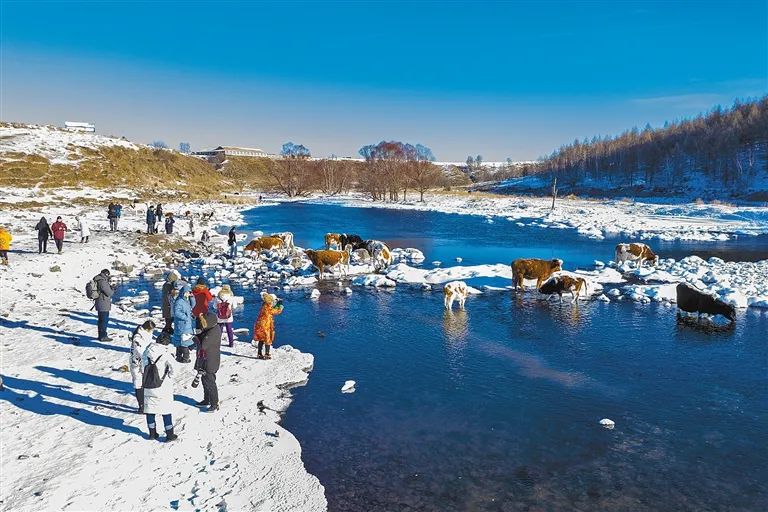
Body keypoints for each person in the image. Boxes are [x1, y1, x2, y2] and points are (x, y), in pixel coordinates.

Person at [142, 329, 178, 441]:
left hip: (149, 384)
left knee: (150, 410)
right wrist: (170, 376)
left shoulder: (147, 352)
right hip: (163, 386)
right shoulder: (165, 354)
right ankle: (170, 434)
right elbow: (175, 368)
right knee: (165, 410)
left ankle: (152, 433)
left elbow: (142, 365)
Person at [194, 311, 222, 412]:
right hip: (206, 360)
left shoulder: (213, 332)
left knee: (210, 383)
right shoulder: (213, 328)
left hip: (210, 362)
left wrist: (194, 338)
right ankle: (207, 400)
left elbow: (203, 346)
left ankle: (215, 404)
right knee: (204, 381)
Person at [129, 320, 155, 413]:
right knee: (138, 383)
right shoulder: (138, 337)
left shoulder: (146, 334)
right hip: (137, 363)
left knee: (145, 382)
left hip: (145, 361)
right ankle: (141, 405)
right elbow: (138, 351)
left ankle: (146, 402)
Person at [253, 292, 283, 360]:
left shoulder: (264, 305)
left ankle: (259, 354)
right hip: (265, 325)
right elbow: (276, 311)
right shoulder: (268, 307)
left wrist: (276, 304)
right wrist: (280, 305)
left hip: (259, 324)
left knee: (261, 340)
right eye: (273, 300)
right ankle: (267, 354)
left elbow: (272, 308)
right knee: (267, 339)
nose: (274, 301)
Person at [172, 281, 195, 363]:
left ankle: (178, 356)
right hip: (182, 324)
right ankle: (186, 358)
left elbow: (193, 305)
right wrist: (185, 317)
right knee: (184, 341)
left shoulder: (186, 300)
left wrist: (192, 297)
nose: (189, 294)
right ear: (184, 292)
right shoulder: (179, 301)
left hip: (186, 324)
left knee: (181, 341)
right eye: (188, 293)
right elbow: (177, 312)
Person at [93, 269, 115, 341]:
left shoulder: (98, 279)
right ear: (106, 274)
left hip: (100, 302)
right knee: (104, 320)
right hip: (103, 303)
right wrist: (113, 289)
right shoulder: (103, 281)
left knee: (101, 320)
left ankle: (101, 335)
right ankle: (103, 336)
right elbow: (109, 293)